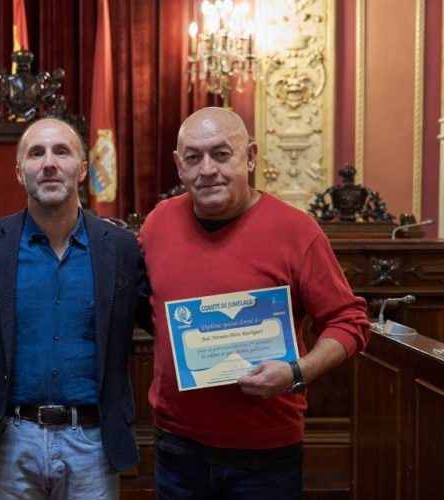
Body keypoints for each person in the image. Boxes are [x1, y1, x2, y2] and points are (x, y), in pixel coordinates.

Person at [138, 107, 371, 499]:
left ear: (250, 156)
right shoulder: (157, 224)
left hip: (266, 456)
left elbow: (350, 323)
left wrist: (297, 371)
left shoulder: (297, 231)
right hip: (178, 450)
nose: (207, 169)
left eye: (221, 154)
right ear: (179, 166)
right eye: (193, 158)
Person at [0, 118, 149, 499]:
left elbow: (159, 317)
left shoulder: (121, 248)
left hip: (92, 443)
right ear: (18, 171)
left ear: (82, 169)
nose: (48, 163)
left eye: (62, 151)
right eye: (36, 153)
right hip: (8, 441)